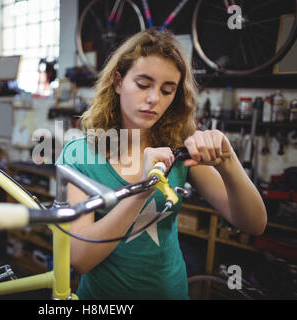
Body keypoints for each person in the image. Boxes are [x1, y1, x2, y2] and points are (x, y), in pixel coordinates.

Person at [55, 29, 267, 300]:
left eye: (168, 90)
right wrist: (142, 189)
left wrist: (228, 161)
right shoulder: (80, 154)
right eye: (143, 85)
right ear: (118, 82)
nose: (155, 98)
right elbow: (81, 258)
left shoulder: (179, 149)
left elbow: (254, 224)